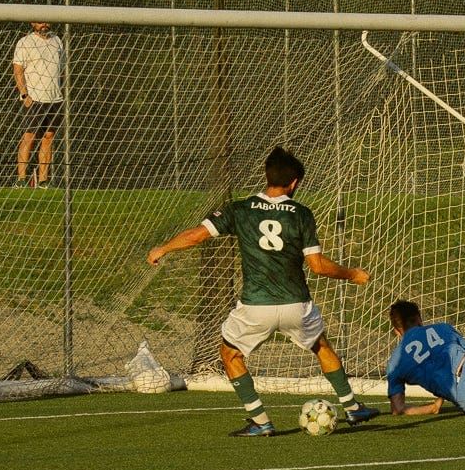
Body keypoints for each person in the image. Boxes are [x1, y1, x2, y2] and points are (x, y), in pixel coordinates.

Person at [146, 146, 380, 437]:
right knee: (321, 346)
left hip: (256, 307)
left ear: (266, 176)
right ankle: (353, 407)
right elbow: (318, 266)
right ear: (294, 182)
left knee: (230, 354)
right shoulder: (301, 213)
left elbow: (196, 236)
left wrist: (163, 248)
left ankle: (260, 420)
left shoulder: (240, 209)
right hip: (296, 305)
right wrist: (353, 274)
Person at [12, 21, 64, 188]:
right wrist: (24, 94)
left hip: (55, 99)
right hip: (34, 98)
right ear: (33, 23)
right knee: (29, 137)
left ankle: (43, 181)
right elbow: (18, 70)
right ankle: (21, 179)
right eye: (40, 22)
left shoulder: (57, 40)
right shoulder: (25, 42)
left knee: (48, 137)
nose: (44, 25)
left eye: (46, 21)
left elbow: (61, 70)